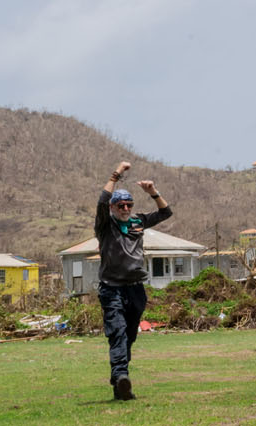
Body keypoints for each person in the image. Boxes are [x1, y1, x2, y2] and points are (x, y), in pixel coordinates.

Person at [96, 159, 172, 401]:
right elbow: (101, 200)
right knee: (117, 332)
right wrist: (116, 173)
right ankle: (121, 375)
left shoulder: (139, 221)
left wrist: (153, 192)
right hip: (111, 289)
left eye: (129, 205)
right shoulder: (106, 225)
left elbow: (165, 212)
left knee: (129, 335)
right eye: (120, 205)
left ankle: (119, 382)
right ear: (113, 208)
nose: (125, 209)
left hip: (136, 289)